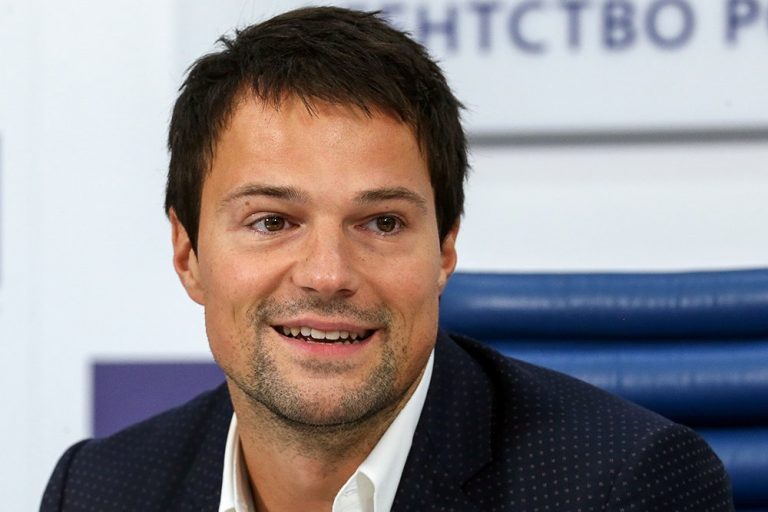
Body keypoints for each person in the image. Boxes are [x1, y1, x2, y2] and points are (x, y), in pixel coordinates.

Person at [40, 6, 734, 512]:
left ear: (445, 249)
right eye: (272, 221)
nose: (327, 274)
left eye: (382, 223)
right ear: (188, 252)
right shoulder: (99, 491)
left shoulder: (624, 488)